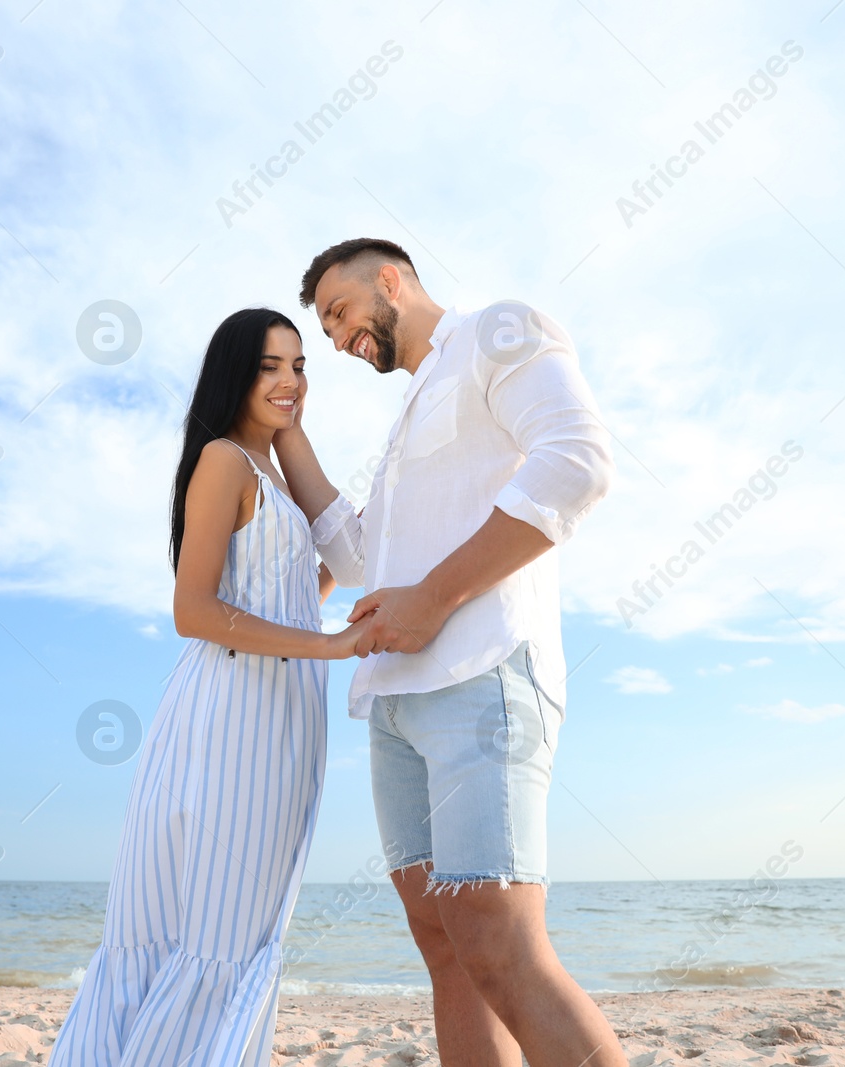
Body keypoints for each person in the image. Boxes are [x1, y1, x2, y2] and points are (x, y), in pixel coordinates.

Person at [272, 238, 628, 1067]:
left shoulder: (498, 331)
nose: (334, 339)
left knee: (499, 949)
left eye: (339, 312)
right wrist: (288, 434)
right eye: (324, 330)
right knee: (448, 954)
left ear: (389, 280)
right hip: (394, 704)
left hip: (484, 676)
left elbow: (577, 462)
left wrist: (432, 598)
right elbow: (361, 558)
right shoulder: (405, 422)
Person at [49, 307, 372, 1066]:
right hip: (229, 718)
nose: (290, 380)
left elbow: (341, 568)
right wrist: (328, 646)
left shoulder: (273, 476)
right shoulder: (225, 460)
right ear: (234, 373)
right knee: (213, 936)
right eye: (269, 367)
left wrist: (290, 433)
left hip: (278, 720)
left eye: (300, 366)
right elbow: (193, 611)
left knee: (233, 933)